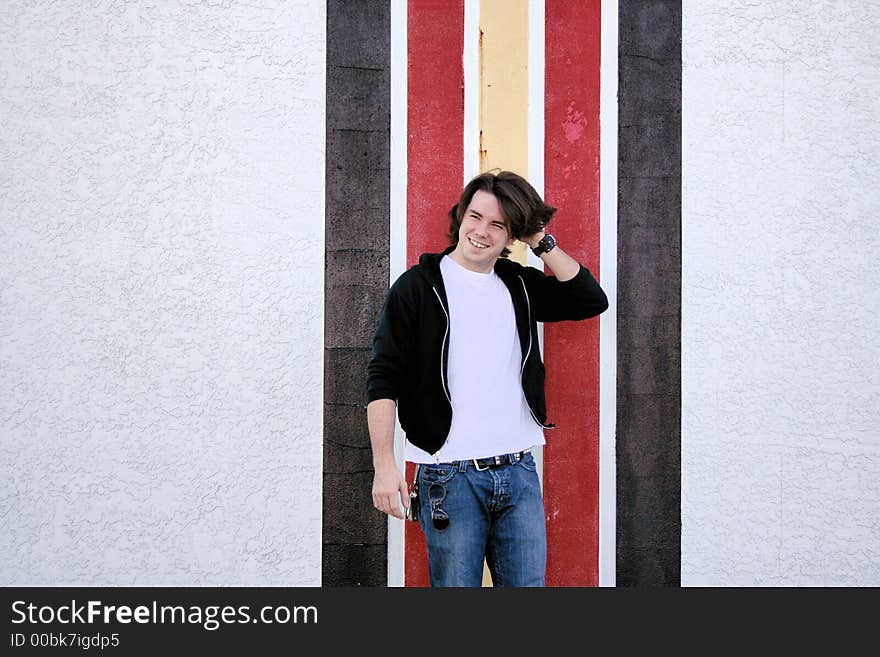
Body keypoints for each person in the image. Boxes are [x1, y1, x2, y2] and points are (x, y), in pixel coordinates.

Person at [366, 170, 608, 587]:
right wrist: (385, 467)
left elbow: (590, 299)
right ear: (460, 216)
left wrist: (540, 240)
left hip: (518, 472)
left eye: (497, 224)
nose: (480, 231)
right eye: (474, 216)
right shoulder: (418, 288)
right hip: (448, 475)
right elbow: (383, 379)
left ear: (511, 235)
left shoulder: (519, 284)